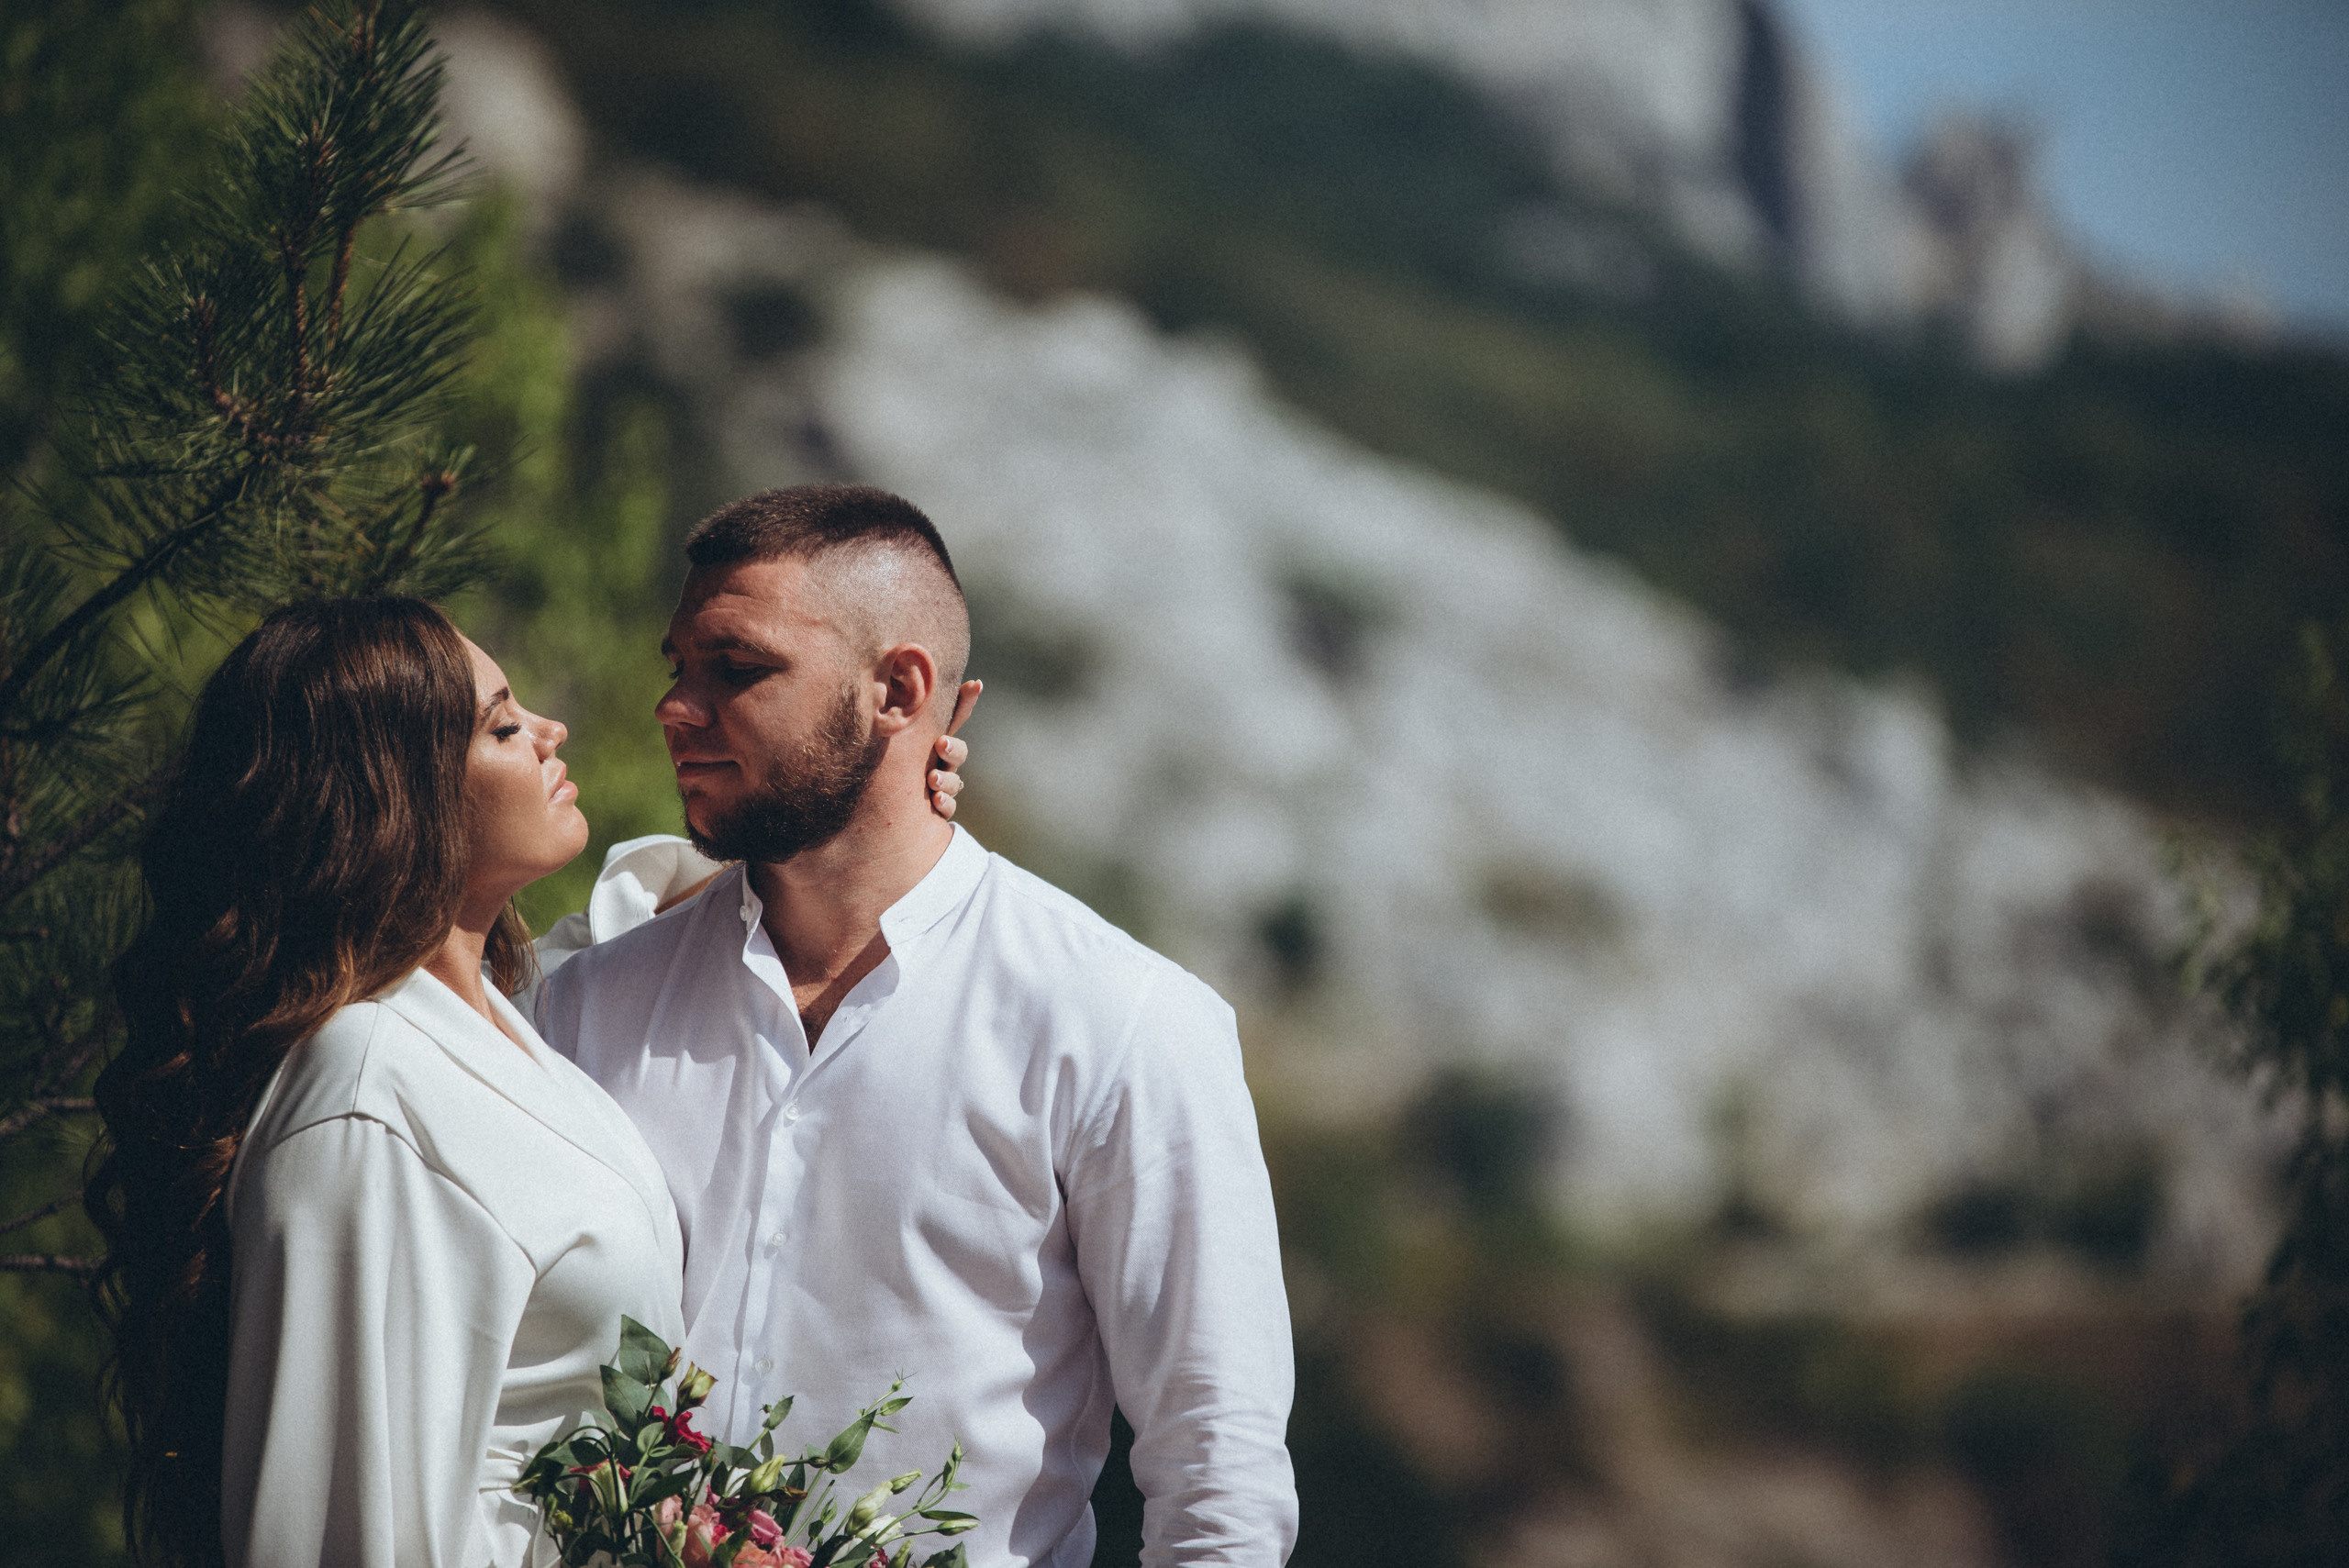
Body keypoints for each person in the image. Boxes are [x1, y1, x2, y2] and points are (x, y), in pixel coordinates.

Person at [83, 596, 970, 1568]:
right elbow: (345, 1531)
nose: (550, 731)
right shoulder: (366, 1100)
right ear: (395, 794)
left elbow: (660, 922)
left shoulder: (505, 1024)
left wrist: (867, 802)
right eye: (502, 725)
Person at [538, 484, 1299, 1567]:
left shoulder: (1124, 1023)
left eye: (736, 668)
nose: (675, 705)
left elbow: (1216, 1470)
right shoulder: (588, 1004)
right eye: (678, 666)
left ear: (900, 690)